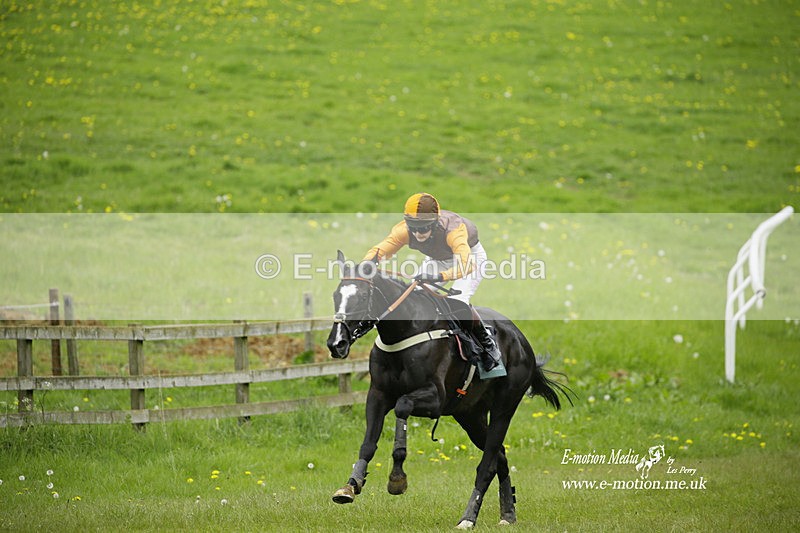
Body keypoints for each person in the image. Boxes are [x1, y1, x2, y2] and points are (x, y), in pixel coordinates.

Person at [363, 192, 505, 377]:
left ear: (435, 222)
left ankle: (488, 345)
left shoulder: (453, 230)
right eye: (414, 228)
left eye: (424, 228)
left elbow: (466, 264)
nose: (418, 233)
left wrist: (440, 276)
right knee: (415, 296)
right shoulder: (403, 231)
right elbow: (379, 251)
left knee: (458, 300)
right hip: (438, 259)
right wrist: (365, 265)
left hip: (470, 259)